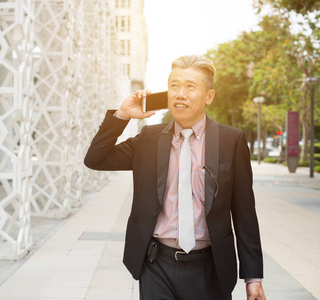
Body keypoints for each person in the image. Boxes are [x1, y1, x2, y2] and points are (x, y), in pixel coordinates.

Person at [84, 55, 266, 300]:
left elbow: (244, 212)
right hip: (157, 264)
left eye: (190, 87)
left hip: (211, 268)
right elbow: (96, 159)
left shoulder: (231, 141)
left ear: (209, 96)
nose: (180, 93)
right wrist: (122, 116)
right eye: (174, 86)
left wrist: (253, 278)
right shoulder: (149, 139)